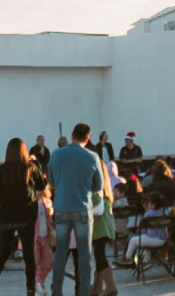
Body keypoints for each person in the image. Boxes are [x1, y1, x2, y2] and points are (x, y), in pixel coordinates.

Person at [46, 123, 102, 296]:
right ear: (88, 138)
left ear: (71, 135)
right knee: (85, 253)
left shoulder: (56, 154)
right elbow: (98, 185)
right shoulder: (92, 157)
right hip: (82, 208)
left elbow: (52, 182)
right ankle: (84, 292)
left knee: (60, 253)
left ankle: (56, 291)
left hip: (61, 207)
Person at [0, 138, 41, 296]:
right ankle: (30, 289)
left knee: (4, 252)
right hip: (26, 215)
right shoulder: (31, 168)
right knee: (28, 254)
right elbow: (41, 186)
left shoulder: (1, 170)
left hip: (7, 215)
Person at [89, 158, 120, 296]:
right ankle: (96, 288)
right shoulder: (106, 188)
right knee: (98, 255)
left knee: (100, 256)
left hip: (99, 227)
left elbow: (95, 206)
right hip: (105, 226)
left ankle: (110, 286)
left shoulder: (96, 189)